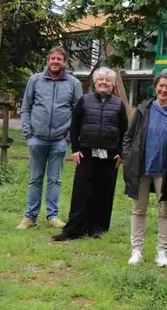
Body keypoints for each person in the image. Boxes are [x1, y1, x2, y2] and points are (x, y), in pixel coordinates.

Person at [122, 71, 167, 267]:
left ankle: (162, 252)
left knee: (166, 211)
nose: (164, 89)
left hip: (166, 170)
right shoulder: (144, 108)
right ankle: (136, 251)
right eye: (161, 86)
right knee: (138, 209)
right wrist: (129, 158)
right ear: (155, 87)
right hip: (141, 167)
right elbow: (128, 136)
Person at [53, 68, 128, 241]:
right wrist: (76, 150)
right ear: (96, 82)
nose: (104, 83)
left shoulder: (118, 104)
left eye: (107, 81)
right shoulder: (84, 101)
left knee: (104, 191)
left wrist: (121, 153)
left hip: (109, 156)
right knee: (81, 191)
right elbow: (74, 127)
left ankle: (98, 229)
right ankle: (74, 229)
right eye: (101, 79)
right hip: (87, 153)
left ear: (112, 85)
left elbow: (125, 131)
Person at [17, 47, 83, 230]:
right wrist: (28, 134)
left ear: (64, 62)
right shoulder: (35, 80)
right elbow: (26, 107)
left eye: (59, 59)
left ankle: (52, 216)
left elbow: (78, 113)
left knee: (55, 180)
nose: (55, 62)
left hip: (60, 140)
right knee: (35, 179)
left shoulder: (73, 83)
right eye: (53, 58)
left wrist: (69, 137)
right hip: (36, 138)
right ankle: (30, 217)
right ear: (48, 60)